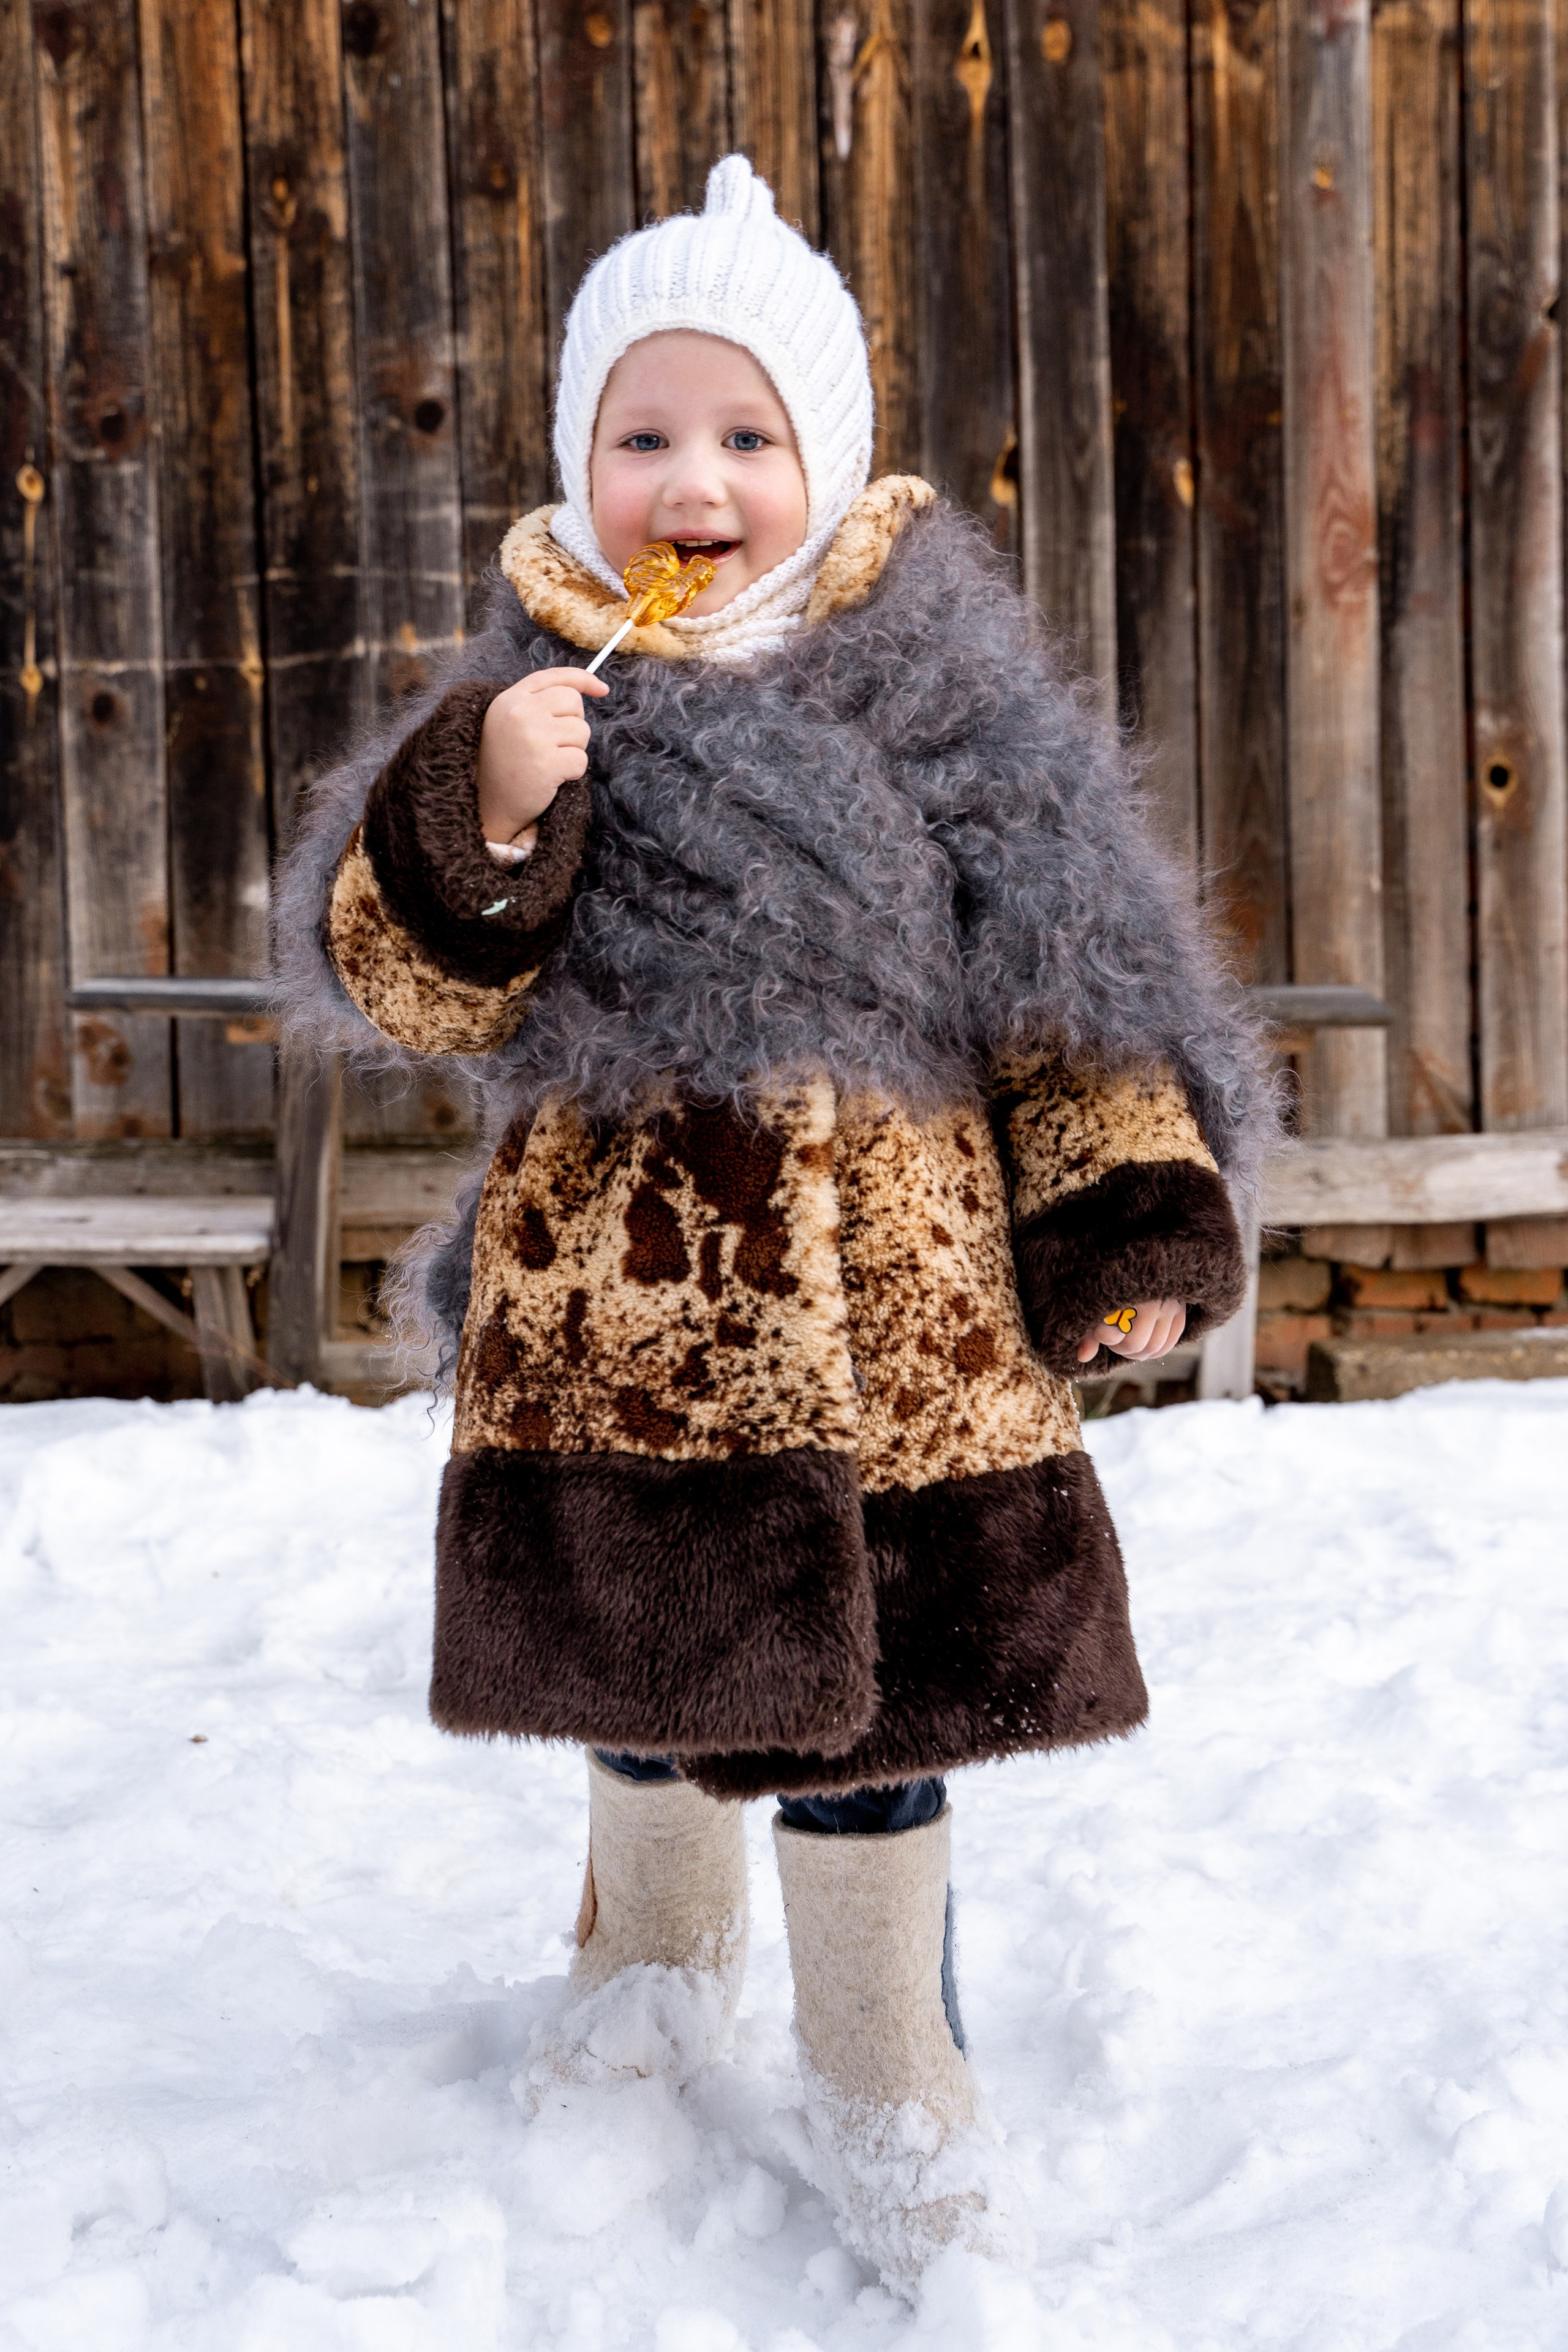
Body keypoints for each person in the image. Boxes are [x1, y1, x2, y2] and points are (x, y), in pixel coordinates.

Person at [276, 155, 1272, 2293]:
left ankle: (894, 2067)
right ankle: (643, 1966)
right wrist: (492, 811)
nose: (694, 479)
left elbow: (1072, 980)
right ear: (581, 464)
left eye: (746, 433)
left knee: (883, 1737)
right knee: (642, 1684)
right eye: (645, 435)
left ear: (826, 457)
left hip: (896, 1323)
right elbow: (411, 987)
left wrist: (1123, 1222)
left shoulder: (944, 698)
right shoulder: (535, 698)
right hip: (622, 1304)